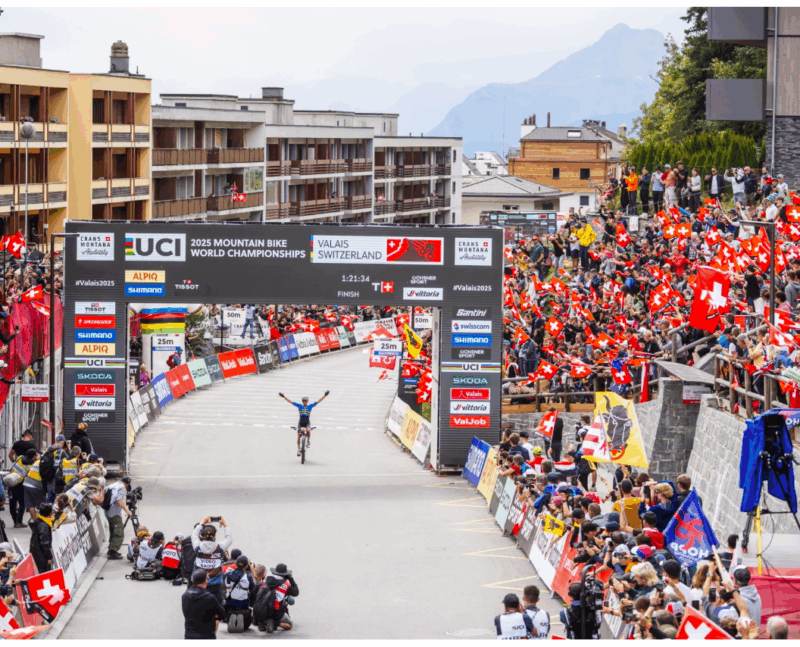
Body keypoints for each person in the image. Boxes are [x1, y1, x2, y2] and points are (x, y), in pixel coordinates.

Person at [191, 516, 233, 606]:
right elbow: (229, 539)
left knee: (199, 603)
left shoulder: (197, 546)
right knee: (215, 603)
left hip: (200, 581)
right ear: (215, 535)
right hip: (215, 582)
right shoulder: (220, 547)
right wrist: (224, 525)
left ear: (202, 535)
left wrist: (202, 523)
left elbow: (194, 535)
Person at [279, 391, 330, 455]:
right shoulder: (299, 406)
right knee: (298, 435)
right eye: (303, 400)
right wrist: (284, 397)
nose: (304, 402)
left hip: (307, 422)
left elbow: (318, 401)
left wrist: (325, 395)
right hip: (301, 422)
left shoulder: (310, 406)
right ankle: (298, 449)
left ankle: (308, 440)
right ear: (302, 401)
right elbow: (290, 402)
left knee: (308, 430)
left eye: (305, 401)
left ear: (307, 401)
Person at [182, 569, 226, 640]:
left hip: (189, 635)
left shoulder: (184, 596)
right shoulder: (210, 597)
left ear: (193, 580)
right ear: (206, 581)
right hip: (207, 636)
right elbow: (222, 615)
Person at [258, 563, 299, 633]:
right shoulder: (285, 585)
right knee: (290, 625)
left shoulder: (265, 580)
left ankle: (263, 621)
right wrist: (290, 578)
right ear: (284, 574)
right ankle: (275, 623)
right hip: (276, 611)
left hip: (262, 608)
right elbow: (296, 592)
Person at [224, 555, 257, 632]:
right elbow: (253, 587)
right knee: (246, 625)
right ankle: (241, 618)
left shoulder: (227, 575)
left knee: (229, 597)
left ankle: (230, 617)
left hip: (230, 604)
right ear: (246, 566)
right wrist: (252, 571)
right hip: (243, 605)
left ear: (236, 563)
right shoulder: (248, 577)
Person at [104, 476, 133, 560]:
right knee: (119, 532)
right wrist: (127, 511)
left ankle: (111, 549)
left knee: (113, 530)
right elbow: (119, 500)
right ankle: (113, 551)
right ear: (126, 484)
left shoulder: (113, 485)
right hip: (114, 512)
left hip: (108, 511)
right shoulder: (122, 487)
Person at [29, 502, 54, 574]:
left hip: (36, 552)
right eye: (52, 511)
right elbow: (44, 543)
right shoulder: (44, 526)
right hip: (41, 554)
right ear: (49, 514)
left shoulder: (39, 520)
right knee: (44, 573)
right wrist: (49, 556)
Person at [22, 448, 45, 522]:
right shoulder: (43, 463)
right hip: (35, 485)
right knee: (41, 505)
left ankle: (35, 522)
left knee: (30, 505)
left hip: (26, 483)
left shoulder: (36, 462)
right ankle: (42, 523)